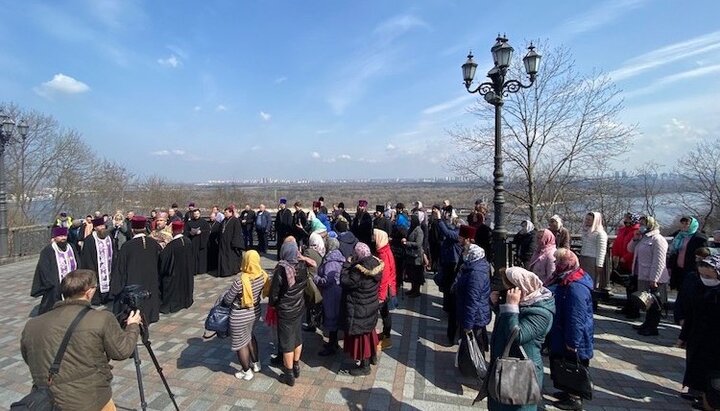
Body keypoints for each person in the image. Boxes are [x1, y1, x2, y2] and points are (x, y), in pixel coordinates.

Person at [21, 269, 141, 411]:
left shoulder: (32, 324)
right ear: (89, 292)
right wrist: (133, 326)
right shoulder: (102, 318)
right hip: (92, 400)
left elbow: (29, 358)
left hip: (46, 401)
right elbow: (122, 351)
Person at [488, 267, 555, 411]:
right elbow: (506, 324)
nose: (506, 292)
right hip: (504, 368)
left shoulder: (541, 313)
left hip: (521, 374)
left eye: (508, 288)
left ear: (521, 289)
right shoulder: (522, 302)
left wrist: (511, 306)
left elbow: (517, 335)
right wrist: (497, 305)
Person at [547, 248, 594, 411]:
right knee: (563, 362)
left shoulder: (575, 287)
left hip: (573, 335)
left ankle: (575, 398)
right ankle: (568, 391)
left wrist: (572, 341)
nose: (556, 264)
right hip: (562, 330)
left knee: (574, 364)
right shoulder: (565, 279)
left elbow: (576, 316)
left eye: (559, 262)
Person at [678, 254, 720, 410]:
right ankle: (703, 397)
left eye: (709, 276)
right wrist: (683, 337)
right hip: (698, 338)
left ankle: (711, 401)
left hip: (716, 342)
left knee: (713, 377)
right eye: (702, 275)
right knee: (699, 372)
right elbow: (691, 314)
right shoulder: (698, 289)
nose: (705, 278)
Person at [268, 239, 310, 386]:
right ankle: (296, 365)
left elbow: (274, 293)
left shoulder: (282, 268)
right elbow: (305, 284)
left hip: (285, 310)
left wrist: (273, 305)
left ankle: (289, 375)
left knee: (286, 343)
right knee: (297, 337)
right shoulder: (302, 265)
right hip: (299, 307)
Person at [224, 250, 268, 381]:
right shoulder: (262, 275)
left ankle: (246, 371)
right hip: (254, 312)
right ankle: (256, 363)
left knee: (240, 344)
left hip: (239, 315)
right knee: (249, 336)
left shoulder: (240, 281)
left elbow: (227, 300)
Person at [341, 242, 383, 376]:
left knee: (361, 337)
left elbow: (345, 282)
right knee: (369, 332)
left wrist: (347, 265)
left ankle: (365, 366)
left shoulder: (358, 269)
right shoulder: (375, 263)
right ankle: (372, 356)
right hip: (370, 305)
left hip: (359, 306)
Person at [111, 216, 162, 324]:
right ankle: (150, 315)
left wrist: (115, 288)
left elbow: (120, 268)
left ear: (132, 230)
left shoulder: (127, 246)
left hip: (134, 282)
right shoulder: (153, 243)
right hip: (150, 280)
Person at [628, 216, 669, 336]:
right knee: (646, 301)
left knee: (655, 303)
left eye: (643, 223)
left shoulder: (658, 239)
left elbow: (659, 261)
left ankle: (653, 327)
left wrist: (654, 278)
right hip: (642, 274)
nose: (641, 226)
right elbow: (630, 249)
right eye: (640, 223)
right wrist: (635, 239)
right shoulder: (643, 238)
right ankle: (646, 323)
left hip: (654, 277)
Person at [453, 233, 491, 355]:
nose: (463, 254)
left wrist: (468, 324)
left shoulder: (476, 273)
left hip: (475, 316)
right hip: (476, 313)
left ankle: (475, 368)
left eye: (465, 253)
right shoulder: (475, 266)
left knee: (475, 343)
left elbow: (472, 300)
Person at [31, 226, 80, 315]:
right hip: (55, 285)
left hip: (72, 282)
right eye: (60, 236)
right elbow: (44, 268)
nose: (63, 238)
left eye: (65, 236)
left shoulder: (71, 247)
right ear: (55, 237)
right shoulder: (48, 251)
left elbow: (78, 262)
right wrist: (51, 283)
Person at [670, 216, 708, 325]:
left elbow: (703, 254)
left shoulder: (699, 238)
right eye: (682, 223)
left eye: (686, 224)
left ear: (692, 224)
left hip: (691, 270)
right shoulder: (679, 236)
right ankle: (679, 317)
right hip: (679, 269)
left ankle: (684, 318)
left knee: (687, 294)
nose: (684, 226)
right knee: (680, 293)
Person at [435, 212, 464, 345]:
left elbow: (447, 232)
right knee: (446, 289)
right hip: (448, 263)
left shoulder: (457, 235)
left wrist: (440, 219)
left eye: (455, 223)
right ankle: (447, 306)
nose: (453, 225)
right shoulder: (455, 232)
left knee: (450, 289)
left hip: (453, 265)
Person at [315, 237, 344, 356]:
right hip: (336, 292)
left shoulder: (331, 262)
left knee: (331, 317)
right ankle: (333, 342)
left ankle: (332, 345)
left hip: (331, 294)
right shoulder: (338, 257)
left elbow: (327, 280)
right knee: (334, 317)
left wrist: (315, 278)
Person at [159, 221, 194, 314]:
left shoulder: (171, 245)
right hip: (186, 271)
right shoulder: (188, 241)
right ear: (182, 230)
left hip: (174, 273)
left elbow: (163, 259)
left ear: (173, 231)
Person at [79, 217, 115, 305]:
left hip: (109, 265)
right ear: (95, 228)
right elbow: (86, 257)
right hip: (95, 266)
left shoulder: (109, 237)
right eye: (99, 226)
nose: (102, 228)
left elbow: (114, 251)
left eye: (103, 225)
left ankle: (109, 296)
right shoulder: (89, 239)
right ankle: (97, 299)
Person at [612, 213, 641, 319]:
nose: (625, 220)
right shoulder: (624, 230)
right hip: (621, 260)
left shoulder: (636, 231)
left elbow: (634, 248)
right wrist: (615, 255)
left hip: (630, 262)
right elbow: (618, 243)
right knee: (627, 286)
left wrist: (626, 257)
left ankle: (634, 309)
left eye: (628, 219)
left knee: (633, 287)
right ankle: (628, 306)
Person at [373, 229, 397, 350]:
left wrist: (381, 296)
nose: (373, 238)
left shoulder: (383, 253)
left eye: (374, 236)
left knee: (384, 313)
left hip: (385, 289)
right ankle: (386, 335)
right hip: (389, 287)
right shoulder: (385, 249)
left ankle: (387, 338)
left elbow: (384, 276)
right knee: (385, 313)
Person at [580, 211, 608, 307]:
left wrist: (599, 264)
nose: (587, 221)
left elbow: (602, 250)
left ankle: (593, 302)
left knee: (592, 282)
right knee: (583, 280)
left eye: (589, 219)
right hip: (584, 258)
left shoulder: (601, 233)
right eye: (586, 219)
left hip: (593, 260)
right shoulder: (586, 231)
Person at [403, 214, 425, 297]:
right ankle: (413, 289)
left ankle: (417, 291)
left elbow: (418, 244)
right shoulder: (411, 229)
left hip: (417, 256)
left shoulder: (419, 230)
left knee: (416, 274)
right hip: (410, 255)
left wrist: (407, 243)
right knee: (411, 273)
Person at [218, 206, 243, 278]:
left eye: (226, 212)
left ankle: (231, 270)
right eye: (224, 212)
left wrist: (234, 242)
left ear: (231, 212)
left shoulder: (235, 220)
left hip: (231, 243)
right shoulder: (224, 220)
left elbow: (237, 232)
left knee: (231, 257)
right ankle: (224, 271)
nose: (225, 214)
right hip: (223, 242)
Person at [184, 208, 210, 275]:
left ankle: (201, 270)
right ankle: (194, 270)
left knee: (201, 256)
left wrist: (201, 232)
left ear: (200, 214)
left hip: (201, 241)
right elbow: (185, 232)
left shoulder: (204, 222)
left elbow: (208, 231)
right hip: (193, 241)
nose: (196, 215)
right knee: (193, 256)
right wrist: (190, 233)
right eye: (195, 214)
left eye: (197, 214)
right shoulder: (189, 222)